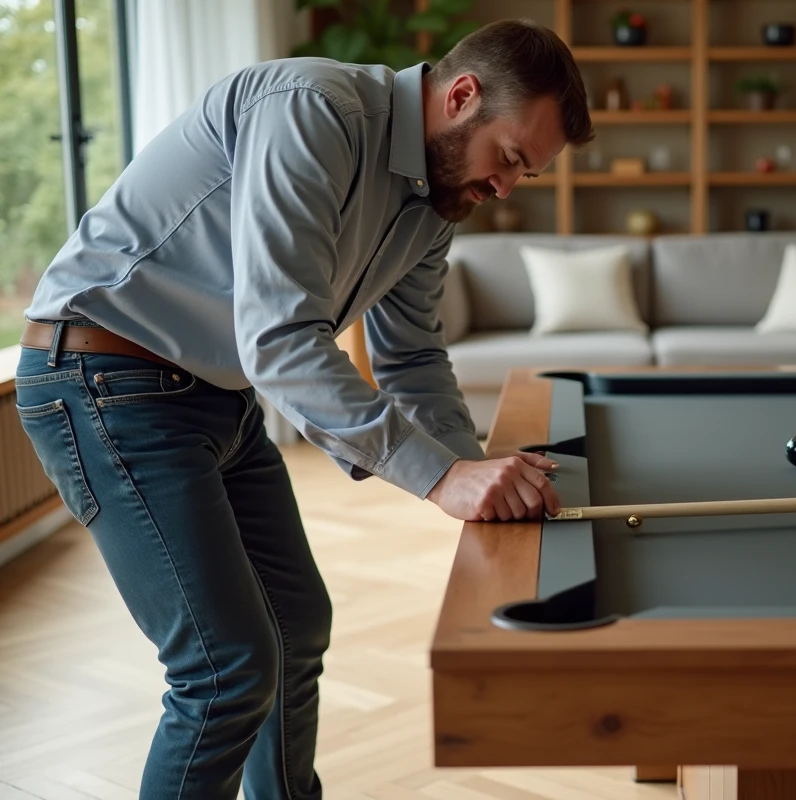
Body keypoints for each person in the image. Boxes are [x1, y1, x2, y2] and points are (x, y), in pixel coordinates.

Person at [13, 18, 591, 800]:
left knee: (295, 629)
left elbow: (412, 356)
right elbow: (281, 341)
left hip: (214, 396)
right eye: (512, 159)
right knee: (225, 668)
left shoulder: (434, 202)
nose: (505, 187)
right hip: (103, 380)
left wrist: (473, 467)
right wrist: (439, 477)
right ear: (462, 96)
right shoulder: (312, 110)